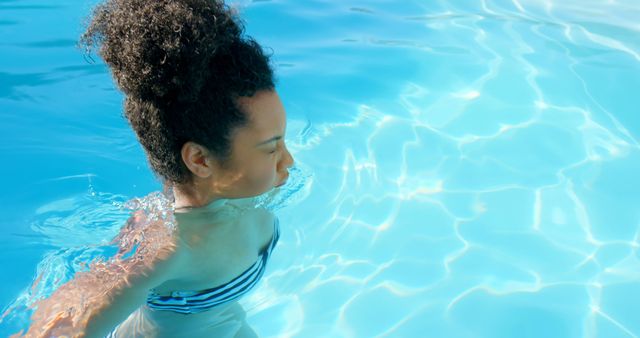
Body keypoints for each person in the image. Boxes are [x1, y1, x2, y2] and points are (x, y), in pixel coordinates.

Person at [20, 0, 294, 336]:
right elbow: (60, 328)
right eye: (272, 148)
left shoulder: (246, 192)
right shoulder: (170, 250)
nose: (289, 160)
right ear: (200, 160)